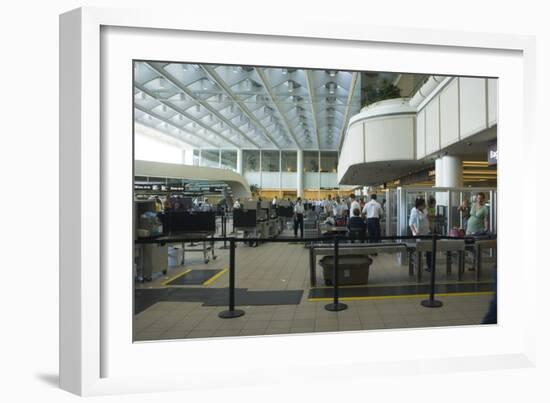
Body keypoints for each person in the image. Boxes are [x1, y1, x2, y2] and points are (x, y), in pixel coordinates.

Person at [409, 198, 432, 272]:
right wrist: (415, 232)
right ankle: (418, 266)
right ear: (420, 205)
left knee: (429, 250)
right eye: (424, 204)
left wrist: (430, 226)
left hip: (427, 232)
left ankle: (429, 266)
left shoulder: (424, 210)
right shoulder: (414, 211)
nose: (425, 205)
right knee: (419, 251)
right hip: (419, 234)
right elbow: (411, 224)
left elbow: (427, 217)